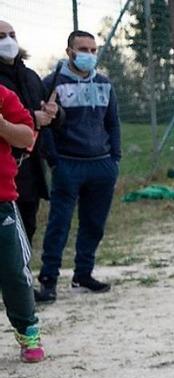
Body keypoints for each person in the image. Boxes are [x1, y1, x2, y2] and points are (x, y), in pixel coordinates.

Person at [37, 30, 118, 302]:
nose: (89, 55)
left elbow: (113, 123)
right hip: (68, 165)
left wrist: (114, 158)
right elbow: (45, 126)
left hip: (101, 165)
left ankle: (83, 274)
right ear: (69, 51)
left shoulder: (105, 84)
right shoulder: (52, 84)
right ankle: (48, 280)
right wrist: (54, 160)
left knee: (94, 223)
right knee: (59, 224)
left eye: (93, 50)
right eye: (83, 49)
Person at [0, 20, 60, 244]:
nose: (8, 41)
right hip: (7, 166)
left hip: (31, 167)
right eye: (1, 36)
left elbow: (51, 112)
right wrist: (32, 118)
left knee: (27, 229)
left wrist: (55, 113)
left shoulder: (30, 76)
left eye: (12, 35)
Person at [0, 81, 44, 361]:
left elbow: (27, 136)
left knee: (15, 271)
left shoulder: (3, 95)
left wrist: (1, 124)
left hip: (1, 201)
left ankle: (28, 330)